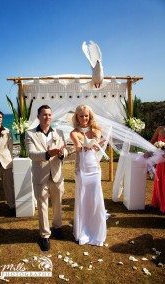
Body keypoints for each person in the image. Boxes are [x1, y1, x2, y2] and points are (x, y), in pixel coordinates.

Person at [25, 105, 68, 251]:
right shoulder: (30, 133)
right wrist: (48, 153)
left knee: (58, 204)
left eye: (49, 114)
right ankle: (44, 235)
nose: (47, 117)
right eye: (44, 115)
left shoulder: (58, 132)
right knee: (42, 206)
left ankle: (57, 227)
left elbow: (65, 150)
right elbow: (31, 154)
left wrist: (62, 154)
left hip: (56, 173)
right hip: (40, 175)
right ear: (38, 117)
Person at [70, 105, 107, 246]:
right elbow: (79, 148)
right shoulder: (74, 133)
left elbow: (99, 144)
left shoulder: (96, 130)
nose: (84, 118)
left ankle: (97, 230)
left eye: (86, 115)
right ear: (77, 117)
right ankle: (83, 230)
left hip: (95, 169)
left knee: (96, 198)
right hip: (82, 170)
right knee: (83, 198)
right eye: (81, 116)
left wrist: (96, 143)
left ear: (90, 116)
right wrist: (90, 145)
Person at [150, 126, 165, 213]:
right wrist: (149, 152)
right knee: (160, 182)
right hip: (160, 162)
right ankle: (159, 203)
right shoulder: (160, 129)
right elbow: (152, 143)